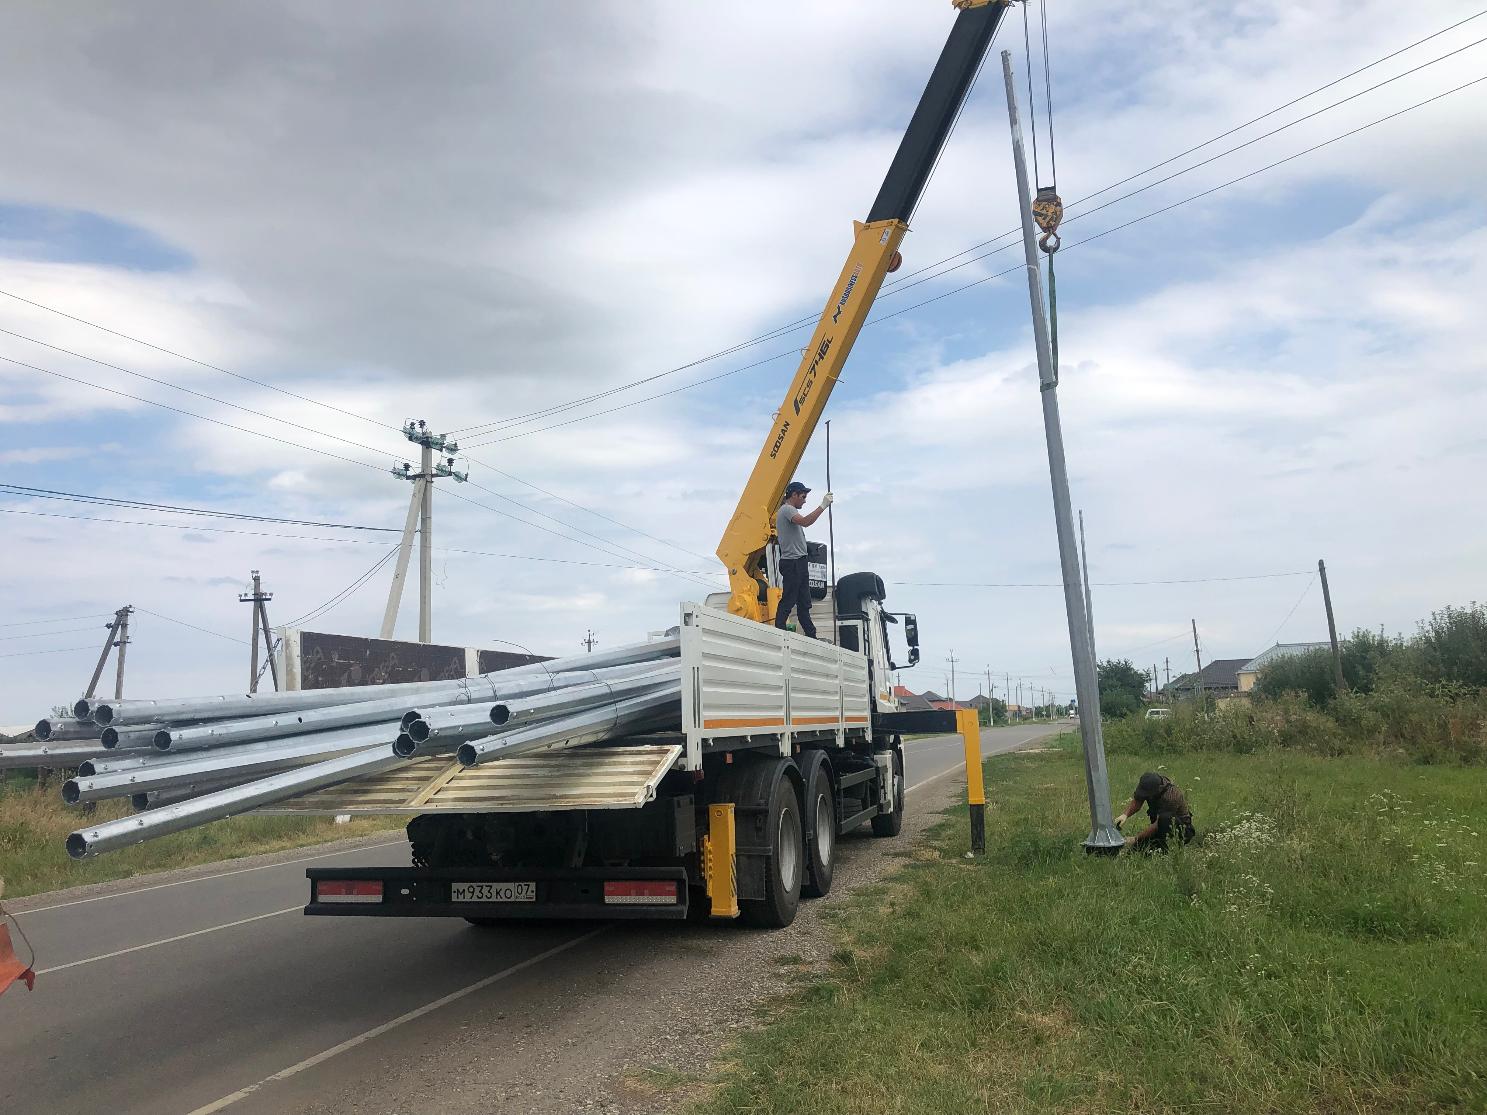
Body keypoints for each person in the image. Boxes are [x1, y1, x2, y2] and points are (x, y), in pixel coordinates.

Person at [774, 480, 833, 638]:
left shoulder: (789, 511)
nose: (805, 500)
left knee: (804, 603)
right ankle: (779, 630)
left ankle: (811, 635)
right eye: (803, 496)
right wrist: (823, 506)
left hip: (798, 562)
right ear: (794, 495)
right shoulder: (787, 509)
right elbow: (806, 522)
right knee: (789, 599)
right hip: (792, 563)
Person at [1115, 771, 1195, 853]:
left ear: (1158, 789)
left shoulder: (1171, 796)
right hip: (1160, 827)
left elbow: (1158, 824)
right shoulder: (1148, 785)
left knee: (1164, 819)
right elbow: (1137, 801)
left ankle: (1166, 849)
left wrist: (1136, 838)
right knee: (1135, 851)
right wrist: (1125, 815)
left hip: (1180, 830)